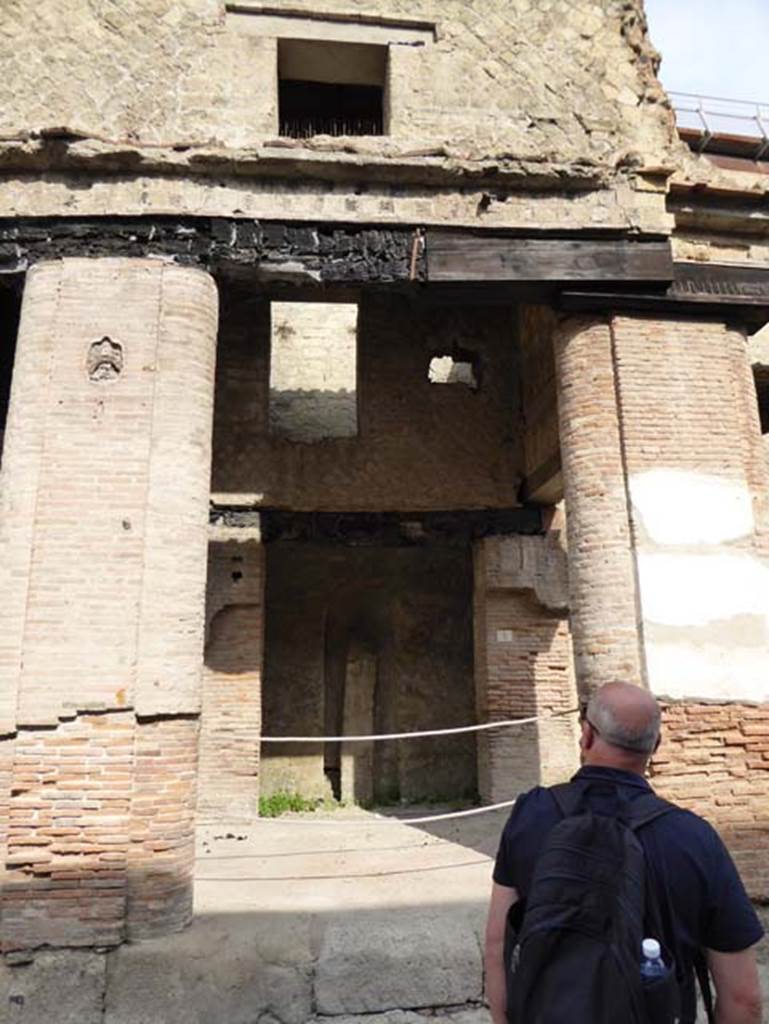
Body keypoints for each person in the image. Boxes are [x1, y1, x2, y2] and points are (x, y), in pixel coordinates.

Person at [484, 682, 764, 1024]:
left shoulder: (531, 814)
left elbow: (499, 943)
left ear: (586, 735)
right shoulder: (694, 839)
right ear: (655, 747)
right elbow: (742, 998)